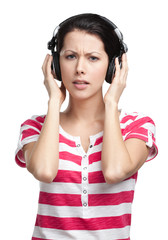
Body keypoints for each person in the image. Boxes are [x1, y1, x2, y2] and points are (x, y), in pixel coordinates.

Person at [15, 13, 158, 240]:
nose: (80, 68)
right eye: (70, 56)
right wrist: (54, 102)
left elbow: (114, 171)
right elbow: (44, 171)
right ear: (56, 63)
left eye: (93, 58)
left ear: (113, 66)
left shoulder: (136, 125)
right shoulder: (36, 126)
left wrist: (111, 103)